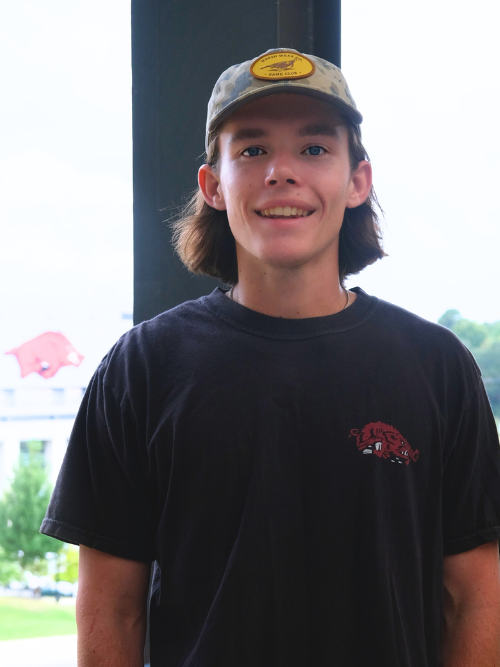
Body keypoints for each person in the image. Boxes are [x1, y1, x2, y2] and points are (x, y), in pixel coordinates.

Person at [41, 48, 500, 667]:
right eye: (252, 150)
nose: (281, 171)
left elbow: (471, 596)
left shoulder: (437, 366)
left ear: (358, 180)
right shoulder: (140, 369)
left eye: (314, 148)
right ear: (213, 185)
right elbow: (111, 612)